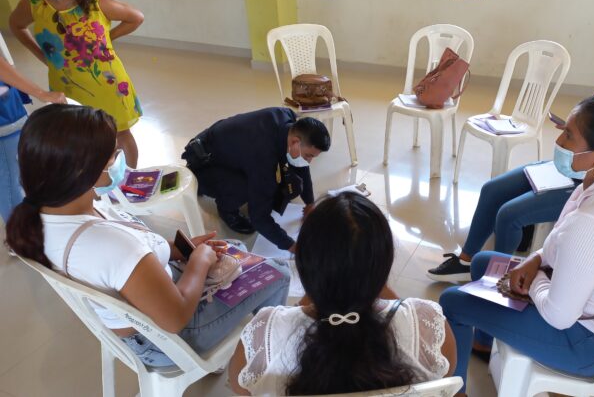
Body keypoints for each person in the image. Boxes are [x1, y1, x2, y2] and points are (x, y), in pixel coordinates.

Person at [5, 104, 291, 368]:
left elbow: (129, 261)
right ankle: (265, 359)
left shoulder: (45, 212)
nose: (119, 160)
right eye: (113, 154)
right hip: (168, 341)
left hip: (146, 310)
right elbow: (176, 318)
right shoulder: (108, 245)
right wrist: (199, 262)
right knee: (279, 271)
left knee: (234, 247)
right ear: (83, 171)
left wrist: (178, 250)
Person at [439, 95, 594, 396]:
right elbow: (560, 239)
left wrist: (535, 279)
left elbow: (558, 316)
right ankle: (484, 342)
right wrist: (535, 260)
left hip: (591, 346)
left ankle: (455, 392)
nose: (559, 141)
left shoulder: (593, 222)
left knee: (452, 302)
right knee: (485, 263)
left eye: (569, 136)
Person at [427, 25, 594, 283]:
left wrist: (584, 155)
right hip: (575, 165)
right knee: (492, 190)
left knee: (509, 215)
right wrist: (573, 131)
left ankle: (497, 281)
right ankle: (466, 261)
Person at [227, 193, 457, 396]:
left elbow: (240, 388)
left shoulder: (265, 332)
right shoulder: (426, 323)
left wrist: (315, 291)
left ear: (305, 265)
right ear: (384, 264)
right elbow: (447, 376)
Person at [10, 0, 145, 167]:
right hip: (66, 87)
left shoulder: (95, 2)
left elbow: (136, 17)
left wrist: (108, 38)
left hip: (107, 85)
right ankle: (91, 179)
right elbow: (16, 25)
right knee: (79, 137)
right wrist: (41, 55)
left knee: (120, 133)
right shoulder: (33, 5)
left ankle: (129, 177)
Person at [182, 107, 330, 253]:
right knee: (246, 188)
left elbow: (301, 166)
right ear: (295, 142)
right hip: (203, 164)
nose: (309, 161)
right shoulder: (263, 157)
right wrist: (293, 247)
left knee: (287, 182)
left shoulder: (287, 118)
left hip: (226, 148)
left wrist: (310, 203)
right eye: (309, 155)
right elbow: (259, 218)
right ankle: (227, 209)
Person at [1, 54, 65, 222]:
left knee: (15, 177)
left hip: (8, 112)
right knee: (10, 182)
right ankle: (19, 233)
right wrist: (42, 93)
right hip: (5, 121)